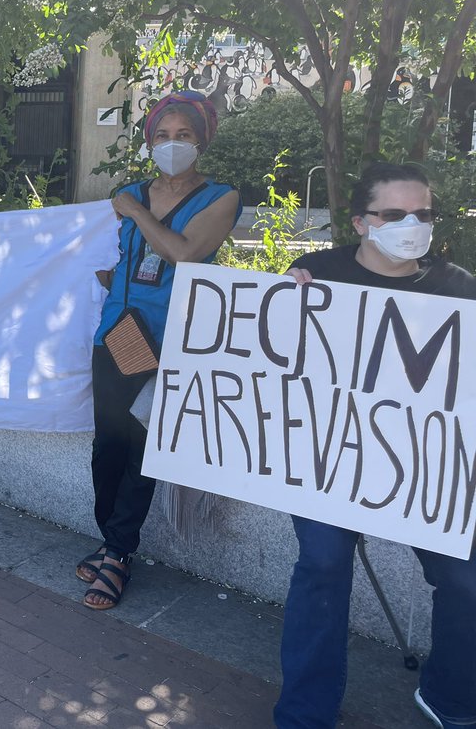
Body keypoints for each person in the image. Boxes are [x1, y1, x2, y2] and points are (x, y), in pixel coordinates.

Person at [274, 163, 476, 729]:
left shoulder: (460, 289)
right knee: (322, 562)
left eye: (423, 213)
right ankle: (304, 716)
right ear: (362, 223)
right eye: (395, 214)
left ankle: (451, 697)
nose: (412, 224)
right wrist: (282, 298)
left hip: (423, 471)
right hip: (329, 461)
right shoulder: (316, 274)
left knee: (467, 578)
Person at [78, 90, 241, 610]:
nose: (173, 145)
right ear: (150, 140)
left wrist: (134, 212)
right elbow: (126, 253)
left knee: (143, 451)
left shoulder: (219, 197)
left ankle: (120, 553)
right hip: (121, 335)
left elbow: (187, 254)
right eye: (164, 135)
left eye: (184, 136)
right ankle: (111, 540)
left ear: (202, 141)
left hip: (172, 340)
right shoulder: (133, 191)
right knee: (109, 447)